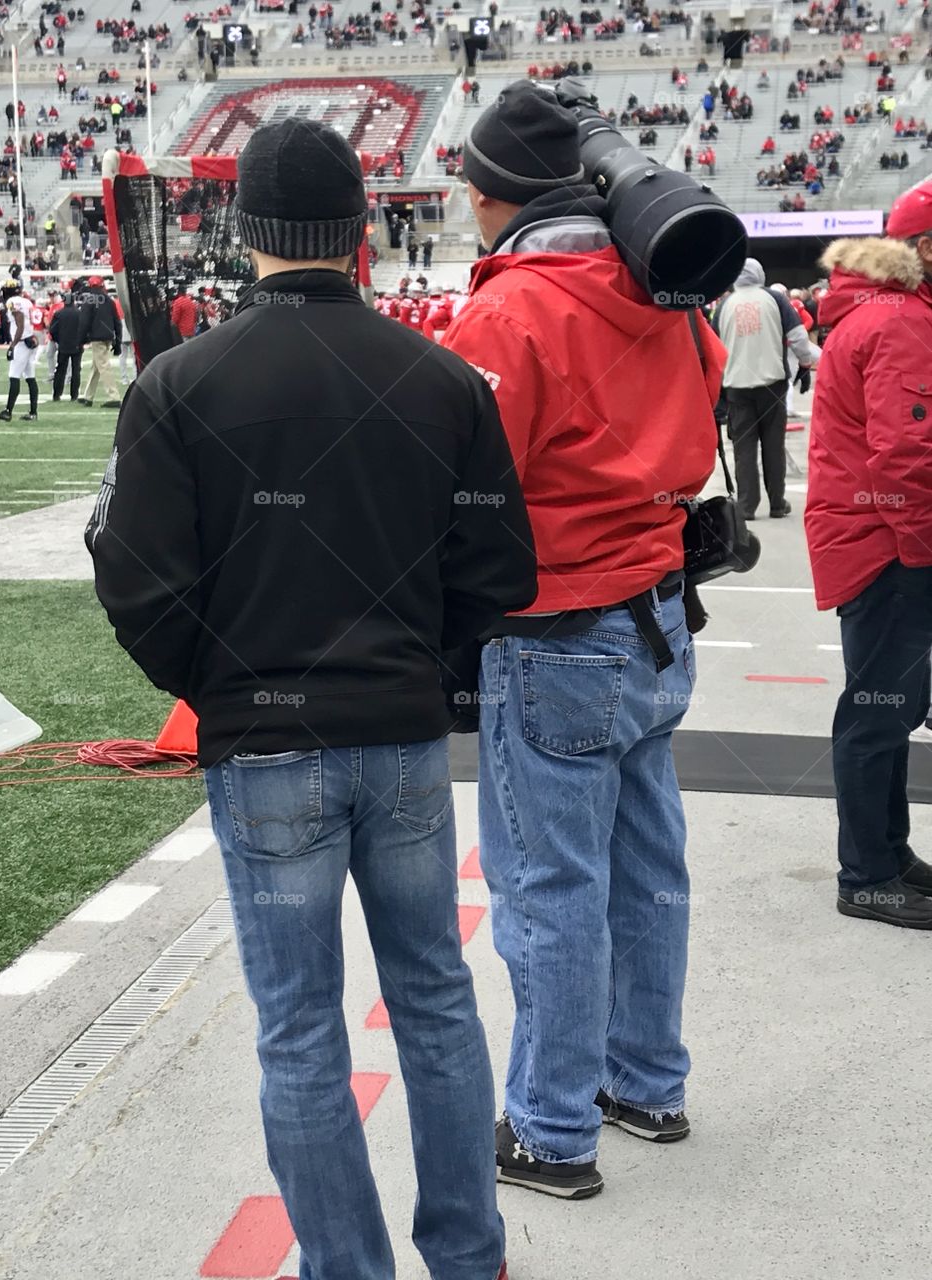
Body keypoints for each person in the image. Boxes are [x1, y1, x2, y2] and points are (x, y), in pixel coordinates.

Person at [86, 117, 536, 1280]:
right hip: (393, 735)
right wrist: (417, 666)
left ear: (243, 233)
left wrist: (221, 686)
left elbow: (137, 582)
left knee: (300, 1029)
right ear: (358, 229)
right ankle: (468, 1251)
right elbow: (499, 572)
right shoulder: (442, 379)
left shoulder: (182, 382)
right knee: (433, 997)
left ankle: (349, 1263)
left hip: (267, 743)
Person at [442, 80, 725, 1198]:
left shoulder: (509, 313)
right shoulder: (668, 290)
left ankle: (551, 1128)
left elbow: (463, 488)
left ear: (487, 194)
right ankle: (645, 1079)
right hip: (656, 613)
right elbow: (700, 431)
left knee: (549, 888)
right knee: (648, 868)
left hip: (558, 630)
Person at [805, 179, 932, 928]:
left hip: (876, 537)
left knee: (889, 705)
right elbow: (908, 456)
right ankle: (867, 876)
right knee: (877, 712)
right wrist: (922, 554)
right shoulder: (900, 321)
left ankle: (887, 852)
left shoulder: (884, 312)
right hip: (888, 544)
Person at [712, 259, 818, 519]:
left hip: (736, 387)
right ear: (760, 274)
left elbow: (714, 348)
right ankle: (777, 504)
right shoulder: (776, 299)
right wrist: (805, 364)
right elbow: (798, 337)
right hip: (772, 385)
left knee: (743, 448)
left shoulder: (725, 304)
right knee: (773, 445)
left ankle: (747, 507)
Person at [0, 282, 39, 421]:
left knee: (14, 376)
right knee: (30, 378)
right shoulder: (26, 301)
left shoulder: (13, 301)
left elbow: (20, 324)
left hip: (22, 343)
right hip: (29, 341)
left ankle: (8, 411)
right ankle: (33, 412)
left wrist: (12, 345)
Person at [77, 275, 122, 407]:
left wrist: (80, 340)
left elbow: (84, 322)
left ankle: (114, 396)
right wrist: (117, 341)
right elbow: (117, 322)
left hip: (97, 338)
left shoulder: (89, 300)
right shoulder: (109, 300)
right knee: (96, 366)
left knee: (103, 366)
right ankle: (88, 396)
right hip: (108, 336)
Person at [50, 293, 85, 401]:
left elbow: (53, 330)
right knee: (76, 370)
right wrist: (82, 341)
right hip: (77, 345)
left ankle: (57, 394)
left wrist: (59, 340)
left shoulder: (59, 314)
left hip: (64, 345)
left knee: (60, 370)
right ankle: (74, 395)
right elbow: (85, 329)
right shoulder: (80, 314)